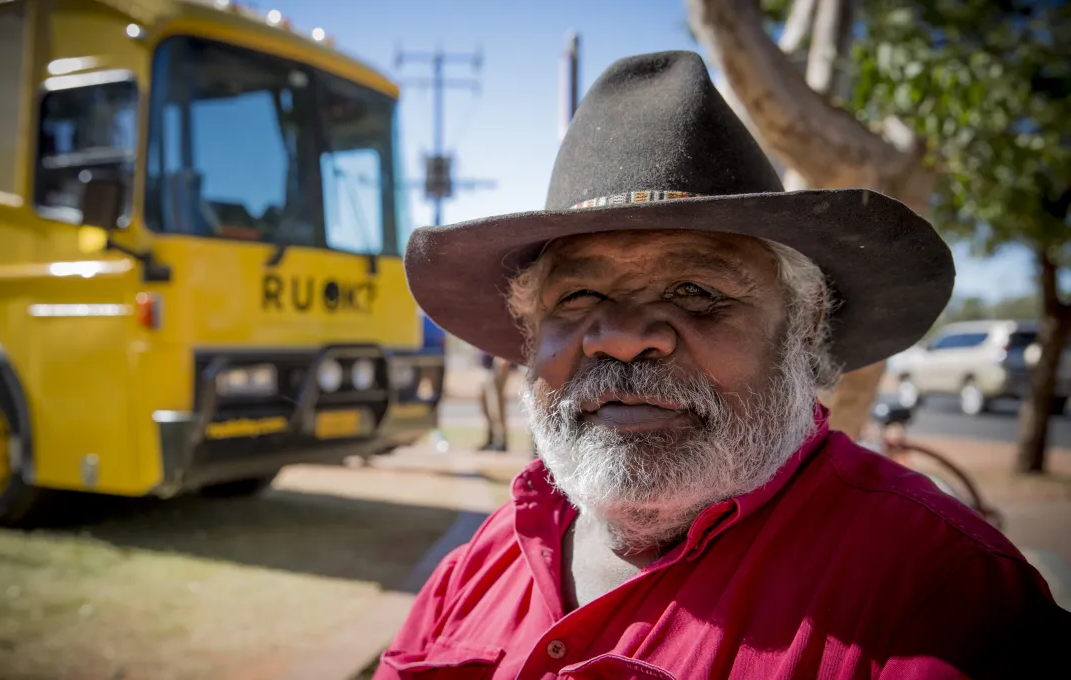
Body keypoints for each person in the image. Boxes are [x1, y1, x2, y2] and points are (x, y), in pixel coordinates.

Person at [374, 52, 1070, 679]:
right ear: (529, 336)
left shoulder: (939, 598)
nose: (620, 339)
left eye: (694, 292)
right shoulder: (479, 565)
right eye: (579, 295)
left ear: (805, 325)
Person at [478, 351, 513, 451]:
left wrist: (504, 356)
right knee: (486, 405)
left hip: (498, 362)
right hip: (487, 365)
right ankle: (492, 439)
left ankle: (500, 440)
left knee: (496, 405)